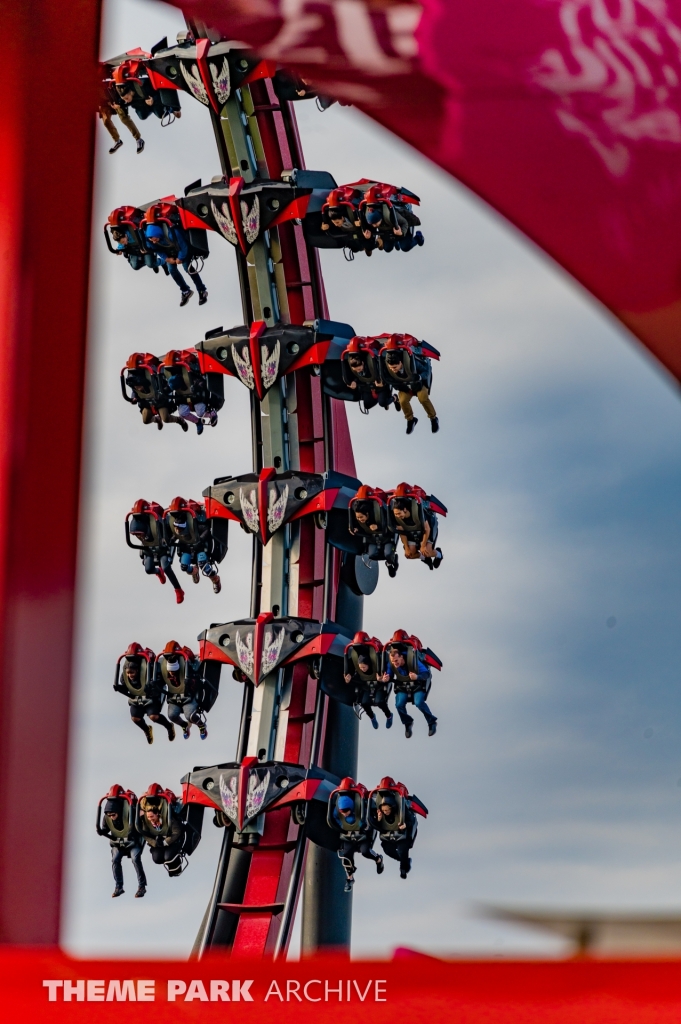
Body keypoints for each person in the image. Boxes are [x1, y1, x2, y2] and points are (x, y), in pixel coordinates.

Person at [113, 644, 175, 745]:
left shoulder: (148, 670)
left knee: (154, 717)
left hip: (151, 696)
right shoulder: (125, 676)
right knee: (135, 718)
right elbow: (125, 686)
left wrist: (152, 687)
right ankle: (147, 729)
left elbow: (159, 682)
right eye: (128, 673)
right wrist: (119, 687)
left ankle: (169, 726)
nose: (130, 675)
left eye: (132, 673)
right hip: (136, 697)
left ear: (137, 670)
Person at [127, 501, 185, 604]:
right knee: (148, 569)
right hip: (149, 549)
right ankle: (159, 572)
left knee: (166, 567)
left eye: (139, 534)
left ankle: (178, 590)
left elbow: (174, 530)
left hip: (162, 549)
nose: (138, 536)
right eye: (136, 535)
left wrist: (170, 540)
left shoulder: (159, 522)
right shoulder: (139, 526)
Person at [382, 633, 437, 738]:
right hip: (403, 686)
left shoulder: (413, 660)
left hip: (417, 684)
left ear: (401, 657)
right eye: (393, 661)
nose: (395, 663)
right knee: (399, 705)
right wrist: (386, 679)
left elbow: (426, 674)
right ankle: (407, 723)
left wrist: (417, 677)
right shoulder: (392, 663)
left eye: (397, 661)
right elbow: (388, 674)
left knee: (419, 702)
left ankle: (431, 722)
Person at [330, 786, 383, 891]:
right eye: (342, 812)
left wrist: (363, 825)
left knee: (365, 852)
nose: (344, 814)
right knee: (346, 855)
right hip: (349, 834)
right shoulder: (338, 811)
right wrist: (342, 825)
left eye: (346, 811)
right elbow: (335, 817)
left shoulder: (361, 808)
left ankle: (378, 859)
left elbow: (369, 819)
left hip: (363, 833)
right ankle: (350, 877)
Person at [165, 499, 222, 594]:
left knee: (204, 566)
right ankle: (194, 571)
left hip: (199, 547)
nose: (178, 530)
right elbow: (176, 534)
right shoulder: (177, 527)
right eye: (176, 528)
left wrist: (201, 540)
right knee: (184, 566)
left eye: (180, 528)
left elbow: (206, 530)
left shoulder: (194, 524)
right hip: (186, 548)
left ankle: (215, 579)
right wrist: (171, 540)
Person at [144, 223, 208, 307]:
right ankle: (185, 291)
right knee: (171, 270)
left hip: (182, 249)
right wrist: (166, 258)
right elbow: (156, 249)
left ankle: (202, 290)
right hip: (169, 252)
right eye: (152, 240)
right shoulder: (150, 239)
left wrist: (180, 258)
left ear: (157, 233)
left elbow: (184, 246)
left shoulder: (173, 232)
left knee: (187, 267)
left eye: (154, 239)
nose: (154, 241)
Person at [122, 353, 188, 431]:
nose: (137, 386)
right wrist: (133, 398)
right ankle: (157, 420)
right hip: (147, 401)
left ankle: (179, 420)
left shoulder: (152, 374)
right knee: (145, 420)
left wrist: (164, 392)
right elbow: (134, 390)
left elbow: (165, 383)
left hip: (159, 399)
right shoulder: (132, 378)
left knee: (165, 418)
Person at [383, 344, 438, 435]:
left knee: (423, 398)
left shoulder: (413, 363)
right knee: (403, 400)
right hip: (405, 387)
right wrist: (400, 387)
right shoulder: (389, 370)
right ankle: (411, 420)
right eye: (391, 367)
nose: (393, 369)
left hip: (418, 384)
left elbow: (426, 370)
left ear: (401, 362)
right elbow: (391, 381)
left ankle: (433, 418)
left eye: (395, 367)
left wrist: (419, 377)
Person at [100, 792, 147, 898]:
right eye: (109, 815)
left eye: (113, 815)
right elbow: (105, 829)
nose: (112, 817)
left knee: (135, 858)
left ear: (118, 811)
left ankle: (142, 886)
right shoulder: (107, 818)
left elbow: (142, 820)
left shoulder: (130, 812)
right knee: (115, 859)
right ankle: (119, 887)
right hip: (118, 842)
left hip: (132, 841)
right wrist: (102, 831)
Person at [160, 642, 208, 740]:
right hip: (174, 697)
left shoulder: (188, 667)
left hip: (188, 696)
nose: (172, 674)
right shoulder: (166, 672)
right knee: (172, 716)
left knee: (189, 716)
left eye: (174, 672)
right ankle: (184, 725)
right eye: (170, 672)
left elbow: (197, 680)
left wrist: (190, 682)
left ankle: (201, 725)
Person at [161, 351, 217, 435]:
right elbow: (169, 386)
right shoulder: (172, 378)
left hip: (196, 395)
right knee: (182, 413)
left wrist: (199, 385)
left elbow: (199, 380)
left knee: (200, 412)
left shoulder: (190, 373)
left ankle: (212, 414)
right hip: (182, 396)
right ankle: (198, 422)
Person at [390, 487, 443, 570]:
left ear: (405, 509)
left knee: (427, 552)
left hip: (427, 529)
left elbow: (427, 529)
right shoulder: (397, 518)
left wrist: (423, 545)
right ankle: (424, 558)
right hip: (412, 531)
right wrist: (407, 548)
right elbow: (401, 532)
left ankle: (439, 554)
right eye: (396, 514)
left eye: (399, 513)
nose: (397, 516)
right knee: (409, 555)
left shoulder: (417, 512)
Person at [344, 648, 393, 730]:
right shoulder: (359, 672)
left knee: (379, 701)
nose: (362, 669)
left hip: (378, 686)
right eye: (360, 667)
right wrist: (349, 679)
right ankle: (372, 717)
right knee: (364, 703)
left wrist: (381, 679)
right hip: (367, 687)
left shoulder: (376, 668)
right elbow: (356, 680)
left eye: (364, 667)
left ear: (368, 665)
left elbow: (385, 678)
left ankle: (389, 715)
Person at [374, 787, 417, 879]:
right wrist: (379, 819)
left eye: (387, 810)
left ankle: (403, 869)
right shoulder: (381, 813)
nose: (385, 812)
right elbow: (376, 826)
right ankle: (404, 861)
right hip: (388, 835)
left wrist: (405, 825)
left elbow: (411, 820)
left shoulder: (402, 808)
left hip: (401, 833)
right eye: (384, 810)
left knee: (403, 849)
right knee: (388, 850)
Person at [138, 792, 185, 876]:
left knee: (168, 857)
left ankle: (176, 867)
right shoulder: (146, 821)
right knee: (157, 859)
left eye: (152, 817)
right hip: (157, 842)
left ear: (158, 814)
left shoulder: (168, 818)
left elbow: (177, 832)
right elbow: (145, 834)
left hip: (172, 839)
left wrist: (165, 842)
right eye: (148, 817)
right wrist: (154, 843)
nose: (150, 819)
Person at [99, 79, 144, 155]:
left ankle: (138, 139)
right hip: (105, 101)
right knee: (106, 121)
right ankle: (117, 141)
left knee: (124, 118)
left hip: (115, 100)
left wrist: (120, 104)